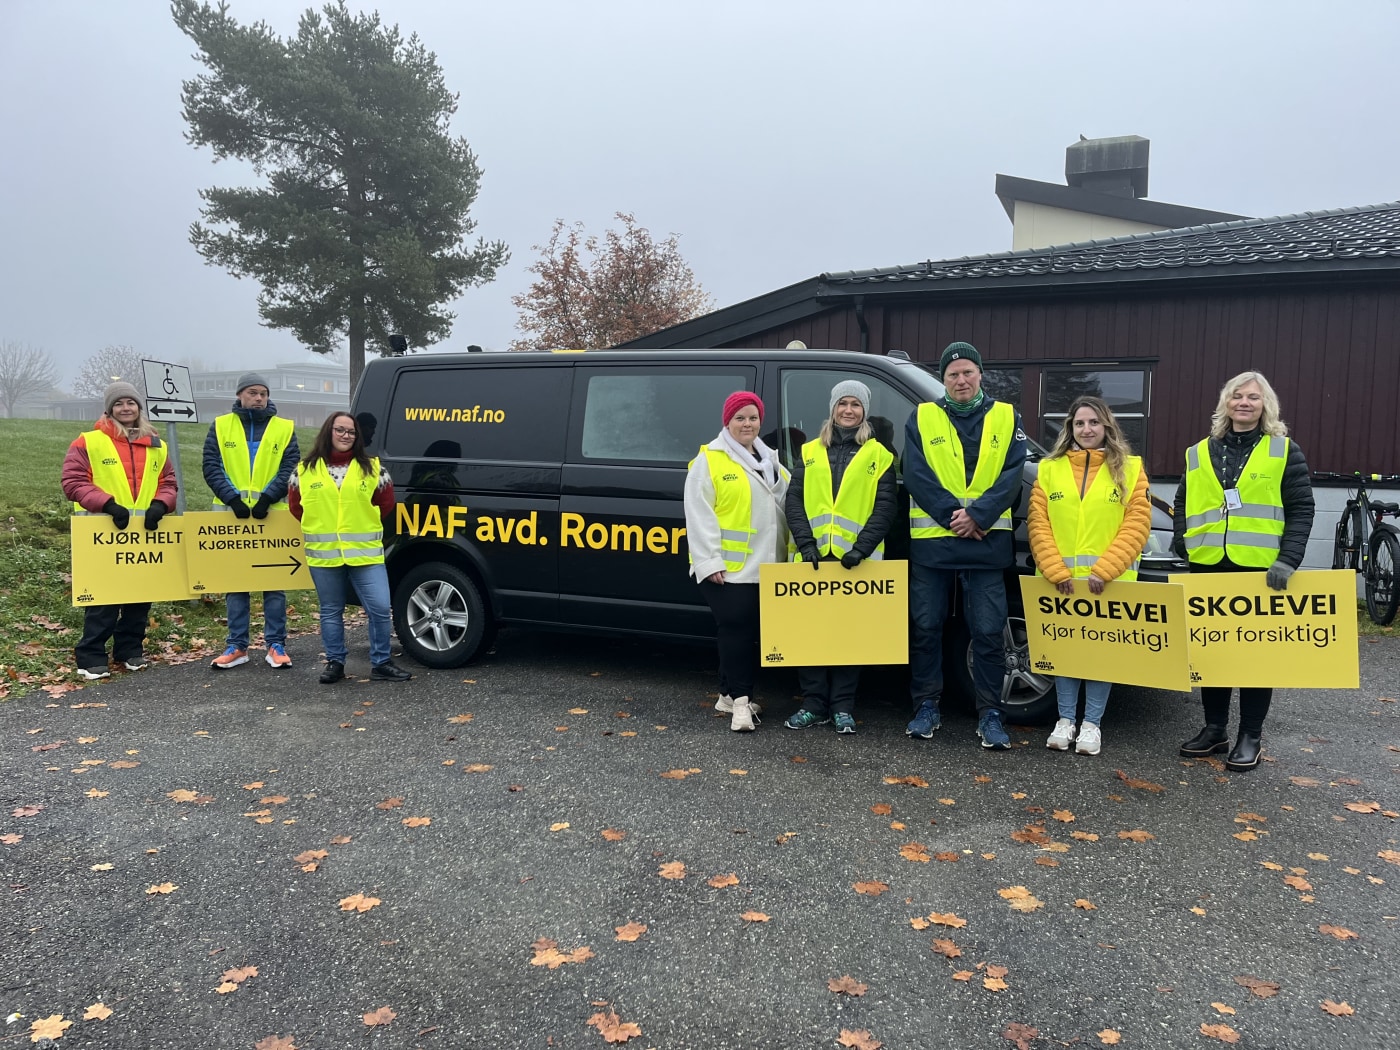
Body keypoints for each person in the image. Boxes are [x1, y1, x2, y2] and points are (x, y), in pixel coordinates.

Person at [1173, 371, 1313, 771]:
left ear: (1265, 405)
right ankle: (1215, 729)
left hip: (1260, 570)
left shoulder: (1284, 451)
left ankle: (1251, 734)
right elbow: (1183, 501)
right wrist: (1183, 540)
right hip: (1207, 567)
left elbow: (1302, 509)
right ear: (1226, 404)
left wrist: (1288, 560)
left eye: (1253, 397)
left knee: (1254, 657)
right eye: (1237, 396)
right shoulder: (1199, 452)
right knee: (1211, 652)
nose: (1244, 403)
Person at [903, 341, 1027, 749]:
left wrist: (978, 516)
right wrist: (953, 515)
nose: (961, 379)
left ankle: (991, 713)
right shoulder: (922, 417)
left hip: (986, 542)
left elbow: (1012, 475)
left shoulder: (1007, 417)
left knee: (989, 632)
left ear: (980, 375)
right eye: (953, 374)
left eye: (967, 372)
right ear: (944, 379)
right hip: (934, 545)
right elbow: (916, 473)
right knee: (926, 628)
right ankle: (926, 706)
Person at [1028, 396, 1151, 756]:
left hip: (1108, 583)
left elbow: (1137, 523)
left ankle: (1092, 724)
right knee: (1066, 653)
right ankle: (1065, 720)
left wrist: (1106, 570)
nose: (1086, 429)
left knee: (1100, 655)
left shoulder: (1129, 469)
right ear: (1070, 428)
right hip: (1059, 581)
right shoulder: (1048, 470)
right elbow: (1039, 523)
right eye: (1079, 423)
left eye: (1094, 423)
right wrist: (1054, 569)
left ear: (1106, 427)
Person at [783, 380, 897, 734]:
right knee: (811, 637)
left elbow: (885, 506)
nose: (849, 410)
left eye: (856, 405)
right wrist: (806, 545)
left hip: (857, 562)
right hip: (813, 559)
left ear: (865, 411)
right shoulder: (809, 451)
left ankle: (843, 707)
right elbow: (794, 501)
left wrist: (860, 548)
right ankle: (814, 705)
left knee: (850, 638)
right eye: (842, 403)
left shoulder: (880, 455)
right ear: (832, 409)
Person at [684, 391, 790, 731]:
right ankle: (742, 705)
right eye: (740, 418)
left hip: (767, 565)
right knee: (738, 631)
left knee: (745, 631)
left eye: (753, 417)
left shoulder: (770, 459)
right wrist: (709, 560)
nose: (748, 423)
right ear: (727, 422)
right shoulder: (710, 460)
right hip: (726, 569)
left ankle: (727, 695)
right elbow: (698, 514)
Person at [62, 382, 179, 680]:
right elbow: (73, 481)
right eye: (119, 404)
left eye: (131, 403)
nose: (125, 408)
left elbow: (169, 483)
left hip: (143, 533)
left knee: (139, 596)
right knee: (103, 600)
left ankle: (129, 650)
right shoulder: (89, 441)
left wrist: (161, 505)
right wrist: (107, 504)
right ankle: (90, 656)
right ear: (109, 409)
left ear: (139, 408)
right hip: (101, 531)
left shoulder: (157, 444)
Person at [289, 411, 412, 684]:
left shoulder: (373, 468)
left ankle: (381, 663)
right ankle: (335, 663)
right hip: (324, 556)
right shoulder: (304, 470)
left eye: (352, 431)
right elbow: (297, 508)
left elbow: (385, 506)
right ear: (328, 432)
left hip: (365, 553)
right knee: (331, 610)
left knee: (380, 608)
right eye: (340, 430)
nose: (346, 435)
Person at [203, 372, 300, 670]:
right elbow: (211, 465)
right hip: (232, 515)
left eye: (263, 394)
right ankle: (237, 645)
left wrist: (269, 497)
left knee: (274, 583)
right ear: (240, 395)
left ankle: (275, 644)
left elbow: (291, 466)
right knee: (237, 582)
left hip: (271, 514)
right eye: (252, 393)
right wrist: (231, 498)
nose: (259, 398)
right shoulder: (221, 426)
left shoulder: (284, 428)